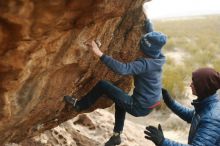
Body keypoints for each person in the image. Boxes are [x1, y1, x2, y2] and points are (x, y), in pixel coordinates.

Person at [64, 4, 167, 146]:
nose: (139, 46)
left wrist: (99, 53)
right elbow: (151, 33)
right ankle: (116, 136)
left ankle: (79, 105)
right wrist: (146, 15)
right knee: (120, 99)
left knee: (103, 85)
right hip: (150, 103)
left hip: (140, 106)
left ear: (146, 49)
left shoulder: (145, 64)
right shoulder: (158, 55)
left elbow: (123, 69)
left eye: (141, 45)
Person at [144, 67, 220, 146]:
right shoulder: (207, 105)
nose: (190, 85)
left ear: (202, 87)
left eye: (194, 83)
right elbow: (191, 116)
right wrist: (169, 101)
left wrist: (163, 142)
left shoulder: (212, 118)